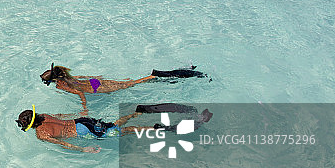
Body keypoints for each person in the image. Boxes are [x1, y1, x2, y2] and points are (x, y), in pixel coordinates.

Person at [16, 103, 212, 153]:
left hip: (84, 132)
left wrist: (83, 148)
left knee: (126, 130)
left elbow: (62, 144)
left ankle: (158, 128)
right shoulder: (45, 116)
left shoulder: (41, 134)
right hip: (84, 121)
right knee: (116, 125)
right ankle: (137, 113)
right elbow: (64, 117)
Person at [39, 63, 205, 108]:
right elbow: (84, 78)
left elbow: (79, 93)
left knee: (134, 84)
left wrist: (84, 108)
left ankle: (157, 75)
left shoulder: (61, 85)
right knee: (129, 83)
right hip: (96, 83)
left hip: (97, 88)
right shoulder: (65, 76)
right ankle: (180, 71)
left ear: (53, 81)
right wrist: (99, 78)